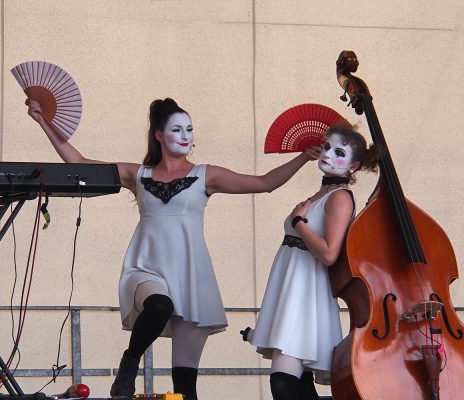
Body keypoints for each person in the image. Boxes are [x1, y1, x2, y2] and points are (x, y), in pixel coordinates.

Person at [26, 97, 319, 400]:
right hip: (146, 267)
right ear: (159, 135)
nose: (185, 136)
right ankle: (129, 364)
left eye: (189, 130)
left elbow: (264, 183)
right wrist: (43, 122)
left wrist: (303, 158)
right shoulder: (138, 174)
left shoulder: (206, 174)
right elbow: (81, 165)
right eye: (177, 129)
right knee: (159, 305)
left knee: (185, 387)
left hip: (191, 277)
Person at [241, 123, 382, 400]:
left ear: (353, 167)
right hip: (291, 290)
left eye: (339, 152)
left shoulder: (339, 198)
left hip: (306, 296)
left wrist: (298, 223)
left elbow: (330, 253)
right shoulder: (320, 195)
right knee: (301, 386)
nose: (328, 154)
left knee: (283, 384)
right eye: (327, 147)